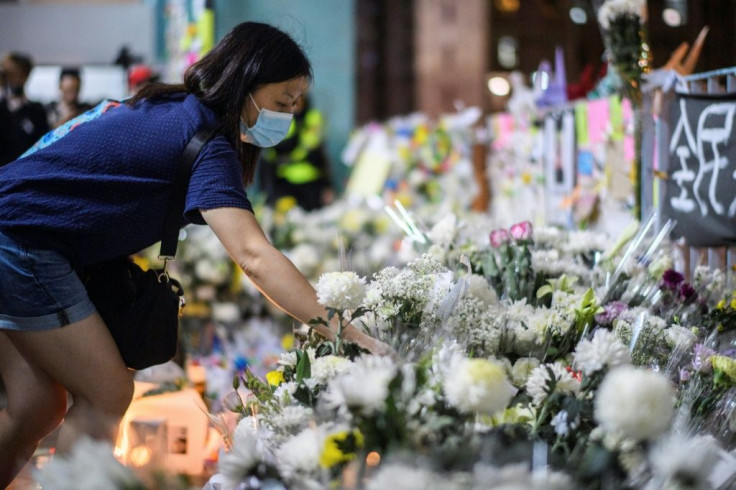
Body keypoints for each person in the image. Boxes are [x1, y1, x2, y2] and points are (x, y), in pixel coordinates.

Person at [0, 22, 390, 486]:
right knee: (106, 394)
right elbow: (253, 255)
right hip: (22, 242)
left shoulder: (172, 107)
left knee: (35, 408)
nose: (290, 115)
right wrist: (345, 332)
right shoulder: (206, 141)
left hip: (17, 228)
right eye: (283, 101)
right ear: (245, 85)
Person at [257, 94, 334, 211]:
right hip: (285, 182)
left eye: (298, 100)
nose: (296, 104)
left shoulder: (312, 118)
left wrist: (327, 185)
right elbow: (270, 156)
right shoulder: (280, 121)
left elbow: (319, 155)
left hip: (311, 182)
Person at [0, 52, 50, 166]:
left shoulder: (36, 111)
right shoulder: (2, 108)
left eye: (13, 74)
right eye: (6, 75)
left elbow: (42, 145)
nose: (9, 79)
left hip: (25, 172)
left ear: (25, 76)